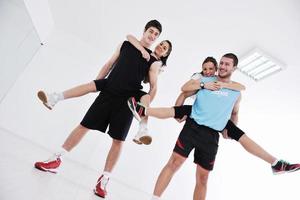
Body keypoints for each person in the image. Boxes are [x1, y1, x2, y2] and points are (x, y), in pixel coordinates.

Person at [34, 19, 166, 198]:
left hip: (127, 100)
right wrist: (97, 82)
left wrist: (147, 104)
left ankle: (103, 181)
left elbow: (153, 86)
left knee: (118, 141)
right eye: (151, 31)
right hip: (109, 90)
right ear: (144, 31)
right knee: (83, 126)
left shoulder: (152, 60)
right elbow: (109, 64)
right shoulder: (127, 44)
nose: (152, 36)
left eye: (156, 35)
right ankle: (56, 159)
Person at [129, 56, 300, 177]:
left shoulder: (232, 88)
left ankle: (276, 163)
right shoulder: (202, 78)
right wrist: (200, 86)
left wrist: (231, 125)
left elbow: (239, 95)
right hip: (197, 113)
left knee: (243, 138)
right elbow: (184, 91)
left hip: (219, 121)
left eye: (222, 65)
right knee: (174, 110)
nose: (212, 69)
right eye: (219, 64)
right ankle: (144, 110)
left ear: (232, 68)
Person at [37, 35, 172, 145]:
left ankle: (142, 130)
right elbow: (129, 37)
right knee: (90, 86)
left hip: (130, 92)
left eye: (164, 47)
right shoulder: (133, 46)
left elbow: (153, 86)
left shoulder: (155, 63)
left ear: (165, 54)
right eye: (161, 43)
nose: (161, 46)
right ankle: (54, 98)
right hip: (112, 83)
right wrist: (97, 81)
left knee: (145, 98)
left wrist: (146, 107)